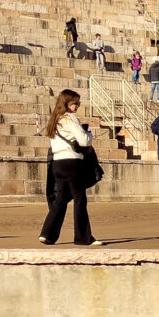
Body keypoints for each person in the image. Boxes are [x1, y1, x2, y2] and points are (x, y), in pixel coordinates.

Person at [39, 90, 102, 246]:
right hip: (72, 163)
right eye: (74, 103)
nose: (77, 107)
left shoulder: (55, 120)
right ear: (66, 103)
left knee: (60, 200)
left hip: (57, 163)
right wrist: (89, 134)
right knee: (80, 200)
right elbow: (84, 141)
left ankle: (47, 234)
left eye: (78, 104)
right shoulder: (70, 118)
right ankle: (83, 237)